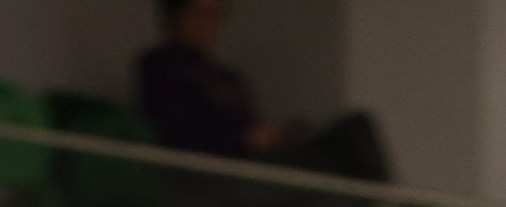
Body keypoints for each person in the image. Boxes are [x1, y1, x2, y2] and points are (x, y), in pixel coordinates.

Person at [138, 0, 390, 183]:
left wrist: (274, 137)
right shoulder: (161, 66)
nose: (209, 24)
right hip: (223, 171)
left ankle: (382, 204)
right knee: (338, 151)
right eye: (200, 14)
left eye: (216, 15)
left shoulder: (226, 77)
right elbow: (174, 137)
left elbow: (252, 124)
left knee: (352, 130)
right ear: (175, 16)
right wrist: (244, 141)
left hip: (256, 161)